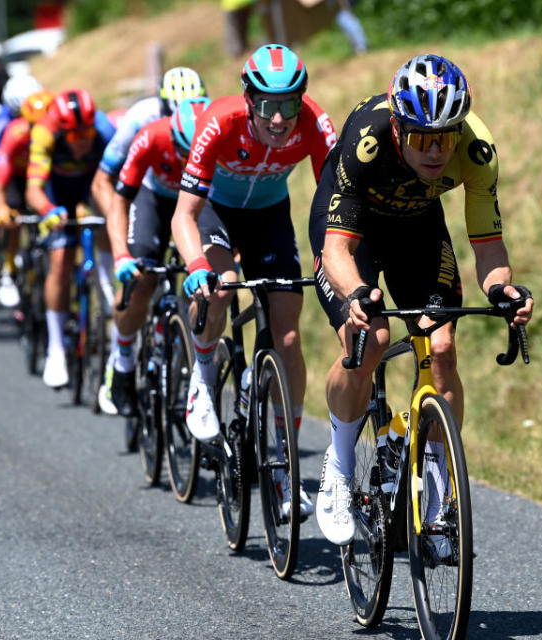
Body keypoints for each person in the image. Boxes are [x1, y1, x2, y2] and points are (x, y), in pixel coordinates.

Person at [308, 54, 534, 548]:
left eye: (445, 137)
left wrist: (501, 290)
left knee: (443, 345)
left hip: (417, 228)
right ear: (397, 126)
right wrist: (359, 296)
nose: (436, 151)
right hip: (353, 230)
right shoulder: (366, 141)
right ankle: (340, 467)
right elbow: (336, 249)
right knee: (371, 338)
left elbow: (488, 246)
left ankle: (433, 490)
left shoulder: (476, 151)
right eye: (422, 139)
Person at [172, 44, 337, 520]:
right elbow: (185, 214)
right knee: (221, 285)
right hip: (218, 214)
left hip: (270, 217)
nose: (280, 119)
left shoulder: (314, 121)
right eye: (267, 105)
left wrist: (335, 257)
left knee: (287, 334)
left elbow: (336, 201)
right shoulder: (218, 122)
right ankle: (203, 380)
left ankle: (284, 468)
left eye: (289, 104)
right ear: (248, 99)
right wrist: (195, 265)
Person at [90, 65, 207, 414]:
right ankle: (122, 359)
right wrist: (122, 249)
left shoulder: (210, 118)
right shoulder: (143, 120)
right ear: (162, 108)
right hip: (151, 195)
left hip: (199, 195)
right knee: (141, 280)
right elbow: (104, 182)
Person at [25, 89, 116, 389]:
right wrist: (48, 211)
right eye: (75, 137)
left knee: (109, 218)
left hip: (91, 185)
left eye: (87, 133)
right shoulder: (44, 134)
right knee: (61, 262)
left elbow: (118, 185)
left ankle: (106, 291)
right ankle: (55, 349)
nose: (84, 141)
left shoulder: (104, 131)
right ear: (62, 132)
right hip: (57, 193)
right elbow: (33, 189)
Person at [0, 74, 43, 307]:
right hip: (12, 174)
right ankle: (8, 269)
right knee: (12, 217)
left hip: (39, 172)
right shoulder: (0, 125)